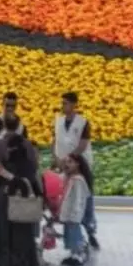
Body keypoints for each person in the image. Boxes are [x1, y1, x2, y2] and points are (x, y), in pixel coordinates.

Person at [0, 136, 44, 266]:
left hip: (17, 210)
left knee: (16, 242)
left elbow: (26, 184)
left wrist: (6, 175)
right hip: (10, 211)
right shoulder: (8, 164)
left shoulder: (26, 166)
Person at [52, 91, 96, 249]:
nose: (63, 106)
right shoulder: (58, 121)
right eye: (62, 103)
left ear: (74, 104)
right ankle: (71, 239)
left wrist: (71, 158)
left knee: (85, 198)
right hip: (64, 166)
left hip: (80, 166)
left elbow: (83, 144)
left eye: (66, 103)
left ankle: (90, 229)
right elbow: (55, 141)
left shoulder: (83, 122)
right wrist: (56, 159)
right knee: (67, 200)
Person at [58, 155, 90, 266]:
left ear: (78, 164)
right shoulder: (69, 178)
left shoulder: (78, 180)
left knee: (74, 234)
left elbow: (78, 199)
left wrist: (75, 214)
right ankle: (73, 254)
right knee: (69, 235)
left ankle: (78, 254)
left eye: (70, 162)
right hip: (68, 214)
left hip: (73, 215)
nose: (67, 164)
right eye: (66, 162)